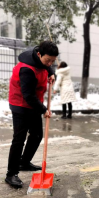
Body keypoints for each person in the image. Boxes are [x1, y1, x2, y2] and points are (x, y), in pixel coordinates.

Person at [5, 41, 58, 188]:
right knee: (19, 139)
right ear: (39, 54)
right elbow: (28, 95)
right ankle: (11, 174)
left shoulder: (43, 61)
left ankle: (24, 162)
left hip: (34, 104)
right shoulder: (26, 69)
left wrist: (52, 73)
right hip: (20, 104)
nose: (50, 63)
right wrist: (44, 110)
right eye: (48, 60)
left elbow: (48, 66)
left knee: (36, 135)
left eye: (52, 61)